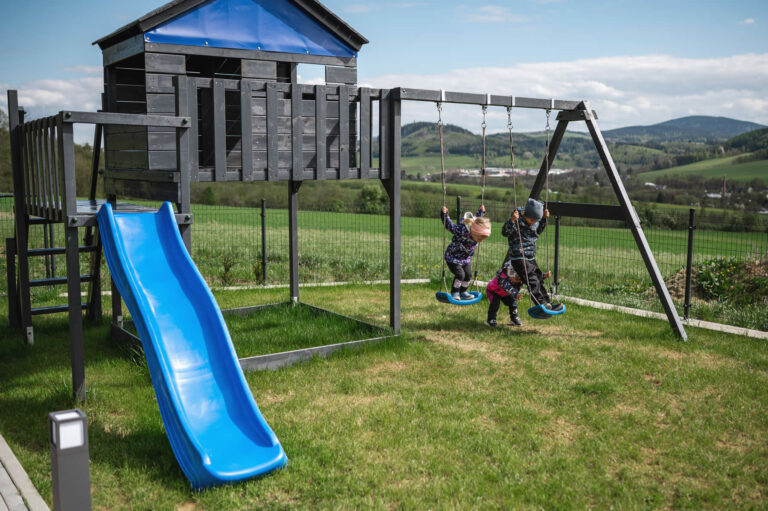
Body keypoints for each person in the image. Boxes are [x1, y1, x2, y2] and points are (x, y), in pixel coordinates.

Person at [501, 198, 563, 311]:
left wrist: (544, 219)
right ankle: (541, 304)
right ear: (526, 215)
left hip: (530, 257)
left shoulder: (534, 221)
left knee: (539, 279)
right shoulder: (517, 221)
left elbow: (538, 231)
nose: (535, 222)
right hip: (519, 257)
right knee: (532, 280)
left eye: (537, 220)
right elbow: (505, 232)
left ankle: (548, 302)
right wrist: (511, 221)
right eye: (533, 220)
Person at [440, 205, 491, 300]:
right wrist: (445, 215)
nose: (480, 241)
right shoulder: (461, 230)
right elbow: (449, 226)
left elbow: (476, 221)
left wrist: (481, 212)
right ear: (474, 232)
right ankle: (455, 292)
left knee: (468, 275)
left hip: (465, 259)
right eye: (480, 238)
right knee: (460, 275)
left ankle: (463, 291)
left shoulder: (475, 228)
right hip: (452, 258)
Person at [485, 260, 523, 327]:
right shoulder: (503, 278)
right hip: (494, 290)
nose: (518, 281)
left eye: (520, 280)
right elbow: (507, 287)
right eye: (516, 279)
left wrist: (543, 276)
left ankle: (514, 318)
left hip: (505, 293)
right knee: (495, 305)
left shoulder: (518, 278)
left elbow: (531, 278)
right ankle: (491, 320)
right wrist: (516, 294)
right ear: (510, 274)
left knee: (513, 303)